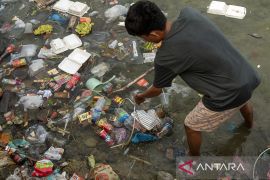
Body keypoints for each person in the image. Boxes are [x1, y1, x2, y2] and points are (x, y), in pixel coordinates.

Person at [125, 1, 261, 156]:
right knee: (241, 97)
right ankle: (249, 126)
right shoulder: (190, 13)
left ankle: (193, 157)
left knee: (191, 125)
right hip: (247, 76)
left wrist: (140, 96)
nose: (144, 41)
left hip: (229, 93)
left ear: (154, 34)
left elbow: (157, 89)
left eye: (143, 38)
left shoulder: (165, 57)